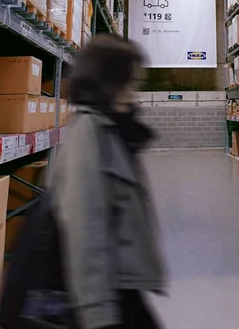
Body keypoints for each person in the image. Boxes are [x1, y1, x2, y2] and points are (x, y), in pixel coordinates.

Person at [50, 34, 167, 329]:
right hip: (107, 299)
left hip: (123, 285)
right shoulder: (88, 134)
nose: (133, 93)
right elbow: (83, 230)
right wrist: (97, 314)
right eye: (129, 84)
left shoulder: (111, 130)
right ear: (108, 82)